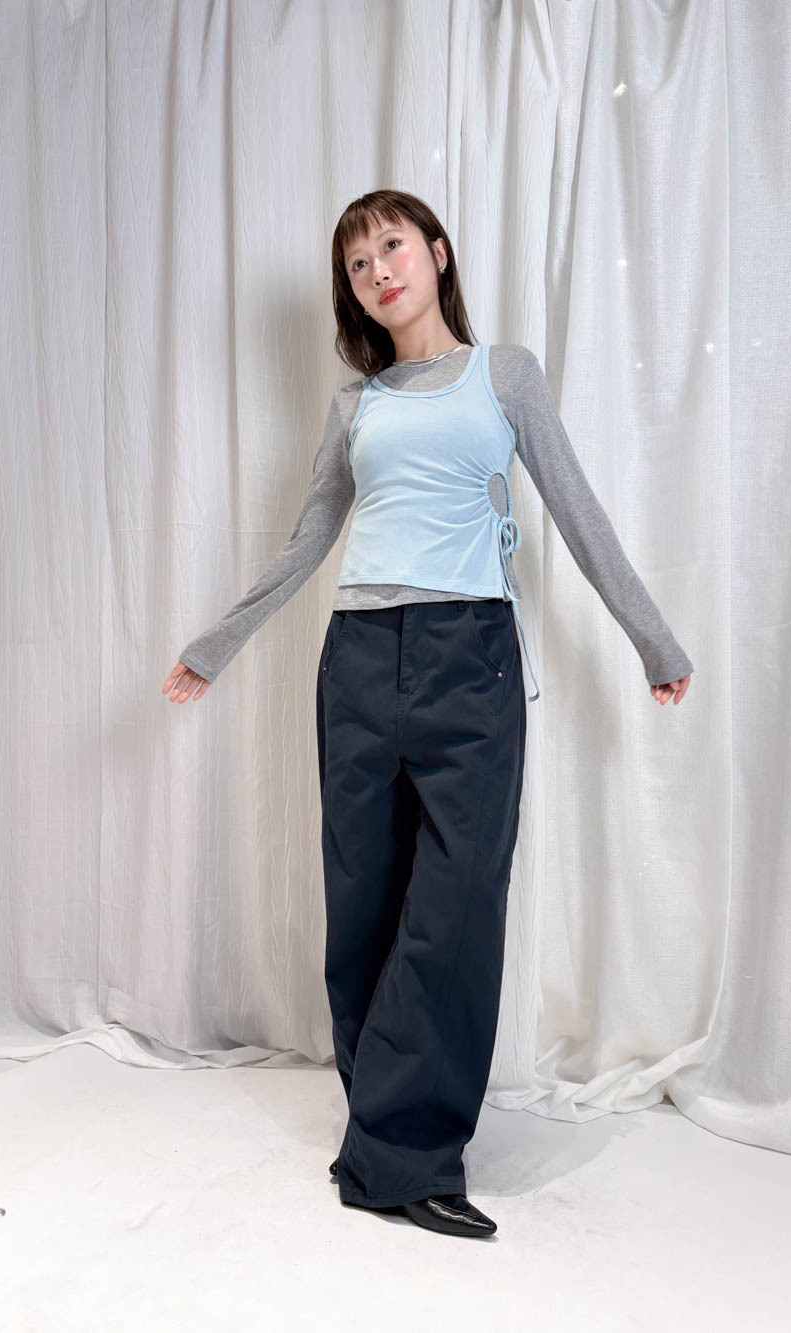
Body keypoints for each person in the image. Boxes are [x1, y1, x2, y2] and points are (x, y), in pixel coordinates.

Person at [162, 189, 693, 1239]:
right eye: (358, 265)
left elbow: (577, 511)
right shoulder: (355, 407)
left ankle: (402, 1154)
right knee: (363, 902)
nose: (379, 272)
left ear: (438, 253)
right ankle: (384, 1130)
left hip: (470, 661)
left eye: (392, 246)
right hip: (359, 661)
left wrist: (653, 639)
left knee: (455, 907)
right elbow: (307, 541)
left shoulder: (506, 375)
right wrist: (213, 646)